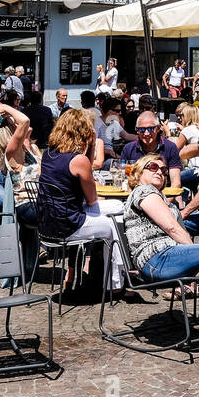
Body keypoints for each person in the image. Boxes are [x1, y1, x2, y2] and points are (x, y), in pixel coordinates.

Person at [122, 153, 199, 363]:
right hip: (157, 258)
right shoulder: (144, 192)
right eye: (153, 167)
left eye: (163, 169)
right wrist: (193, 250)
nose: (160, 171)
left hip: (169, 257)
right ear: (138, 172)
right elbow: (171, 227)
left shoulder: (158, 196)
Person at [22, 108, 121, 289]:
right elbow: (92, 199)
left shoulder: (49, 154)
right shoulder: (78, 160)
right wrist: (91, 146)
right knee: (112, 225)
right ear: (83, 132)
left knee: (117, 206)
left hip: (47, 223)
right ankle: (114, 283)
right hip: (68, 225)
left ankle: (86, 274)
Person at [120, 111, 182, 192]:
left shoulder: (170, 148)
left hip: (165, 194)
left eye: (150, 129)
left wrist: (162, 203)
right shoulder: (129, 149)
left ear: (158, 128)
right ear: (137, 130)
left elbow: (176, 183)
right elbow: (126, 179)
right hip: (136, 196)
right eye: (142, 129)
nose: (146, 133)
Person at [173, 103, 199, 192]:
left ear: (187, 116)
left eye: (181, 115)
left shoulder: (187, 130)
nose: (179, 118)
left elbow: (174, 150)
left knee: (171, 179)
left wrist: (167, 134)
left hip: (195, 171)